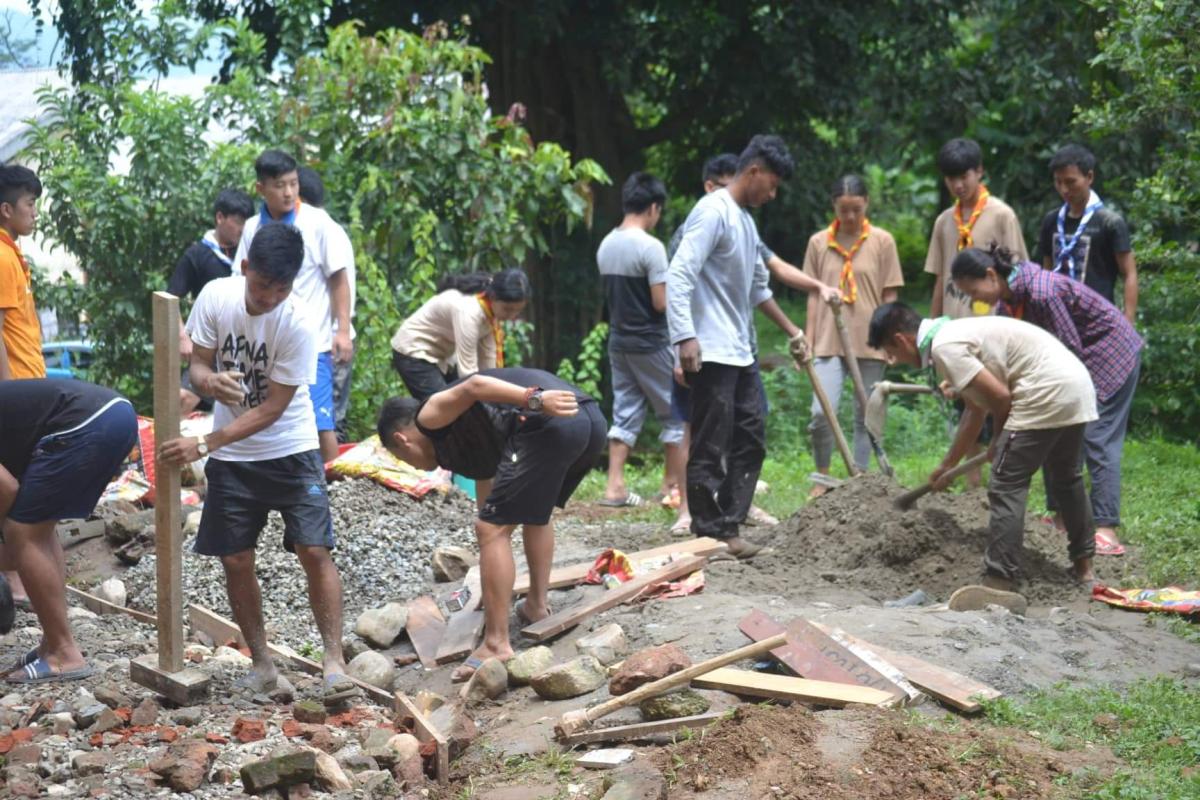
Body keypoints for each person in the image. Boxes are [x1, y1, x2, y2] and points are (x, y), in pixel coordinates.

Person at [159, 223, 356, 705]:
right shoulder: (216, 296)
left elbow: (274, 409)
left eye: (280, 289)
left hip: (291, 448)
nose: (269, 297)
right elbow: (198, 365)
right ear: (246, 268)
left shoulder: (299, 321)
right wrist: (210, 383)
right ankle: (262, 664)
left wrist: (204, 443)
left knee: (314, 549)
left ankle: (334, 661)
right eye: (263, 285)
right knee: (235, 558)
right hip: (234, 457)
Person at [868, 302, 1098, 614]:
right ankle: (1084, 569)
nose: (894, 361)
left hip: (1042, 391)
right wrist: (947, 465)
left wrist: (999, 440)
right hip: (1074, 385)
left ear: (901, 339)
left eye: (891, 352)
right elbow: (975, 410)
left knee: (1006, 484)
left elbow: (1001, 398)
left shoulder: (945, 347)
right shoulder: (954, 333)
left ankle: (998, 583)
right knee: (1066, 478)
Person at [377, 367, 605, 681]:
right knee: (533, 514)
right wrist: (492, 583)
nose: (415, 467)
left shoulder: (429, 415)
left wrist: (535, 400)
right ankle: (536, 606)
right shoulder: (468, 436)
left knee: (492, 529)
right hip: (587, 421)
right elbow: (490, 506)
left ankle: (496, 644)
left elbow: (474, 385)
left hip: (549, 418)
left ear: (402, 440)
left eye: (405, 460)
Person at [665, 154, 837, 532]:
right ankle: (709, 529)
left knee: (750, 436)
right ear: (754, 171)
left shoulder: (745, 221)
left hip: (740, 351)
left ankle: (730, 523)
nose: (773, 195)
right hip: (710, 349)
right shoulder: (713, 212)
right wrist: (684, 336)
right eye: (772, 185)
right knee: (710, 443)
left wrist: (793, 330)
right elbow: (679, 274)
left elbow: (759, 289)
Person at [951, 245, 1142, 556]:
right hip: (1073, 364)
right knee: (1053, 433)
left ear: (990, 275)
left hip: (1109, 354)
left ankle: (1106, 529)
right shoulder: (1006, 305)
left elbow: (1070, 350)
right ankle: (1062, 518)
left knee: (1097, 437)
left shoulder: (1042, 293)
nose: (975, 300)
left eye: (973, 291)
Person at [1, 379, 138, 682]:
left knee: (22, 531)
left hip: (86, 422)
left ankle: (64, 654)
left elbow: (7, 489)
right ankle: (53, 643)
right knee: (38, 530)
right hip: (112, 414)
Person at [234, 150, 354, 463]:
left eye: (293, 183)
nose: (288, 192)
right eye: (279, 185)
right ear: (261, 188)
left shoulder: (318, 223)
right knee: (265, 415)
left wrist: (342, 330)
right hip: (264, 343)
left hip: (313, 342)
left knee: (320, 422)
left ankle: (332, 485)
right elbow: (239, 281)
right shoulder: (251, 228)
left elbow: (339, 278)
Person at [924, 138, 1028, 487]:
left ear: (979, 172)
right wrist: (933, 328)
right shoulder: (944, 222)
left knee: (996, 403)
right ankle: (973, 486)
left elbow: (1018, 274)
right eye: (950, 178)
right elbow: (939, 278)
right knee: (966, 403)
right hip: (955, 330)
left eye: (964, 176)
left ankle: (1002, 480)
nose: (958, 185)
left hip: (993, 329)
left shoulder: (1002, 215)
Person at [801, 175, 904, 490]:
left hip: (870, 340)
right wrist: (808, 338)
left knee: (865, 414)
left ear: (866, 204)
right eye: (843, 209)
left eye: (856, 209)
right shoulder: (819, 242)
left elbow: (889, 294)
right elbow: (813, 294)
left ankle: (859, 478)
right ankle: (821, 477)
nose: (849, 217)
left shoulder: (882, 241)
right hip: (828, 338)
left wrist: (891, 338)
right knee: (821, 412)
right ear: (833, 205)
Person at [596, 172, 685, 509]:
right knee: (675, 412)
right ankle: (670, 487)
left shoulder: (606, 244)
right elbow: (661, 302)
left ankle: (614, 487)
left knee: (625, 411)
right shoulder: (651, 247)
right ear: (653, 208)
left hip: (619, 342)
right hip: (651, 343)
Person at [0, 164, 48, 610]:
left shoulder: (12, 254)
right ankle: (14, 579)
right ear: (6, 209)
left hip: (28, 385)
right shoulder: (0, 256)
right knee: (15, 488)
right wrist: (9, 393)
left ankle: (20, 577)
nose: (35, 212)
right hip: (16, 391)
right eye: (30, 204)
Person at [169, 188, 255, 413]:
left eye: (246, 223)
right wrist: (182, 337)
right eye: (237, 222)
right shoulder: (197, 255)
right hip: (209, 344)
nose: (242, 229)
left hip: (247, 343)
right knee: (182, 399)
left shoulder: (251, 253)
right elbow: (171, 297)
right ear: (219, 217)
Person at [390, 269, 529, 401]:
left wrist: (498, 395)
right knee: (443, 409)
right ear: (493, 297)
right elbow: (469, 374)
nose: (512, 316)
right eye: (507, 309)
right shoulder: (469, 312)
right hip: (413, 350)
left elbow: (489, 367)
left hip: (441, 356)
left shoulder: (489, 313)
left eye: (517, 311)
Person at [1037, 144, 1138, 325]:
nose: (1064, 189)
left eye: (1070, 182)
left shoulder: (1109, 223)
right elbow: (1047, 270)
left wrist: (1128, 319)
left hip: (1099, 320)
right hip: (1059, 318)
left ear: (1089, 177)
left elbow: (1129, 273)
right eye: (1058, 182)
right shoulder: (1051, 221)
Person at [297, 166, 357, 444]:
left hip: (329, 340)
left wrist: (340, 331)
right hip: (328, 337)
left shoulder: (321, 229)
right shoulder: (331, 229)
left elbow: (338, 285)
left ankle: (332, 470)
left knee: (327, 423)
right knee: (324, 420)